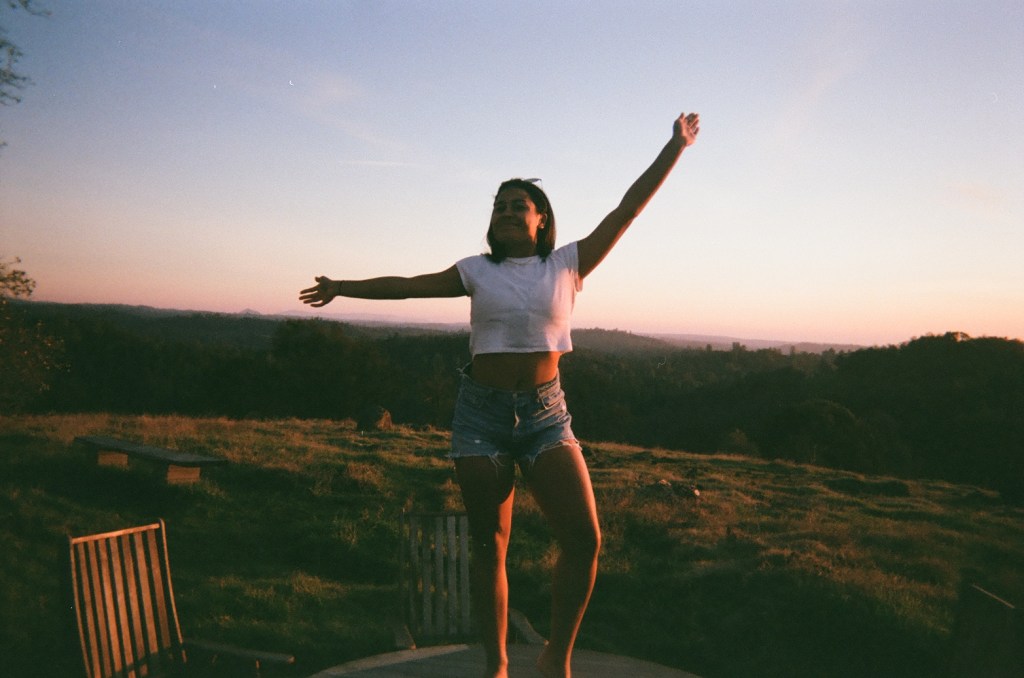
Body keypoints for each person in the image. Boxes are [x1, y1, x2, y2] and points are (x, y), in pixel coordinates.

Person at [300, 112, 700, 678]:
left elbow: (627, 209)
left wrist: (675, 146)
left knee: (585, 539)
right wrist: (343, 286)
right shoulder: (476, 270)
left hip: (546, 416)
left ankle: (555, 657)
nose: (508, 211)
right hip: (481, 418)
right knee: (490, 547)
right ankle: (497, 666)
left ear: (541, 220)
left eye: (519, 205)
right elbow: (409, 287)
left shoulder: (567, 263)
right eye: (499, 206)